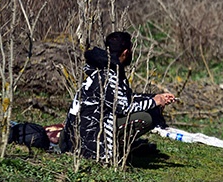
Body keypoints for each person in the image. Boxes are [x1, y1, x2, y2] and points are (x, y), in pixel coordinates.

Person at [60, 31, 176, 162]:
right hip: (88, 141)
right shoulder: (110, 75)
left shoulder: (101, 68)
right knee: (145, 118)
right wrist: (153, 102)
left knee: (147, 108)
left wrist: (155, 97)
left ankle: (118, 148)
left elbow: (124, 97)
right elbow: (123, 108)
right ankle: (113, 152)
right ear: (126, 52)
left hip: (73, 137)